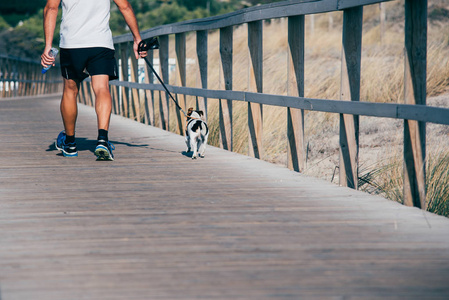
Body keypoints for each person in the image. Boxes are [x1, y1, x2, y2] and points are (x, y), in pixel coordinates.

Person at [40, 0, 147, 161]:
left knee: (70, 90)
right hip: (100, 43)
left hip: (72, 43)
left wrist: (48, 46)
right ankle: (102, 140)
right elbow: (124, 6)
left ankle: (69, 143)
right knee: (102, 88)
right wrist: (137, 39)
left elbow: (51, 8)